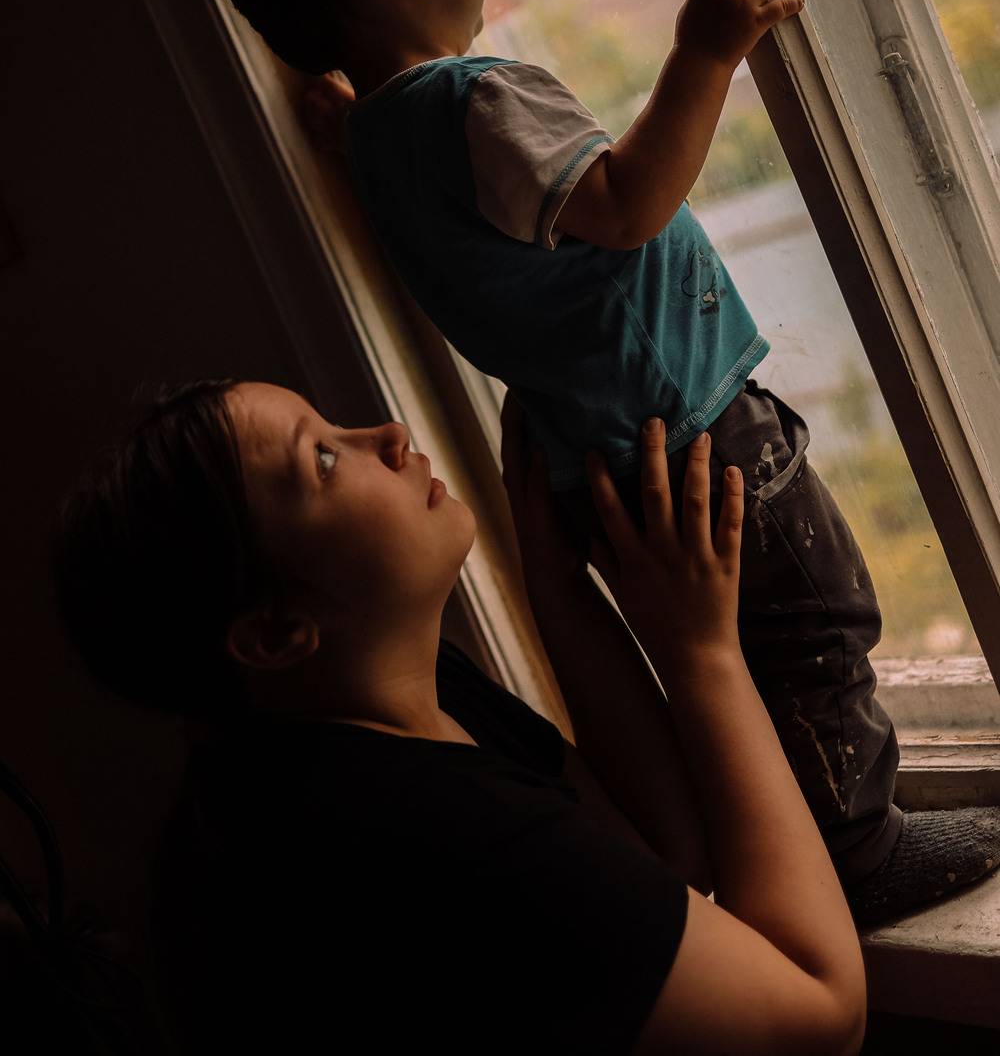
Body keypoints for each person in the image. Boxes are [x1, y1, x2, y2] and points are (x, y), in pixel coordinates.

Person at [207, 0, 1000, 923]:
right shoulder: (479, 99)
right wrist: (708, 48)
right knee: (817, 621)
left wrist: (348, 127)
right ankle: (861, 850)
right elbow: (624, 205)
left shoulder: (381, 137)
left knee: (757, 647)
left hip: (603, 460)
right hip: (695, 431)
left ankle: (809, 831)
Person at [53, 377, 869, 1055]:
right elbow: (823, 1016)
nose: (390, 435)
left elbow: (656, 866)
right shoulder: (411, 831)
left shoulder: (368, 708)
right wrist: (702, 654)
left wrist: (557, 586)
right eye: (324, 459)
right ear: (273, 635)